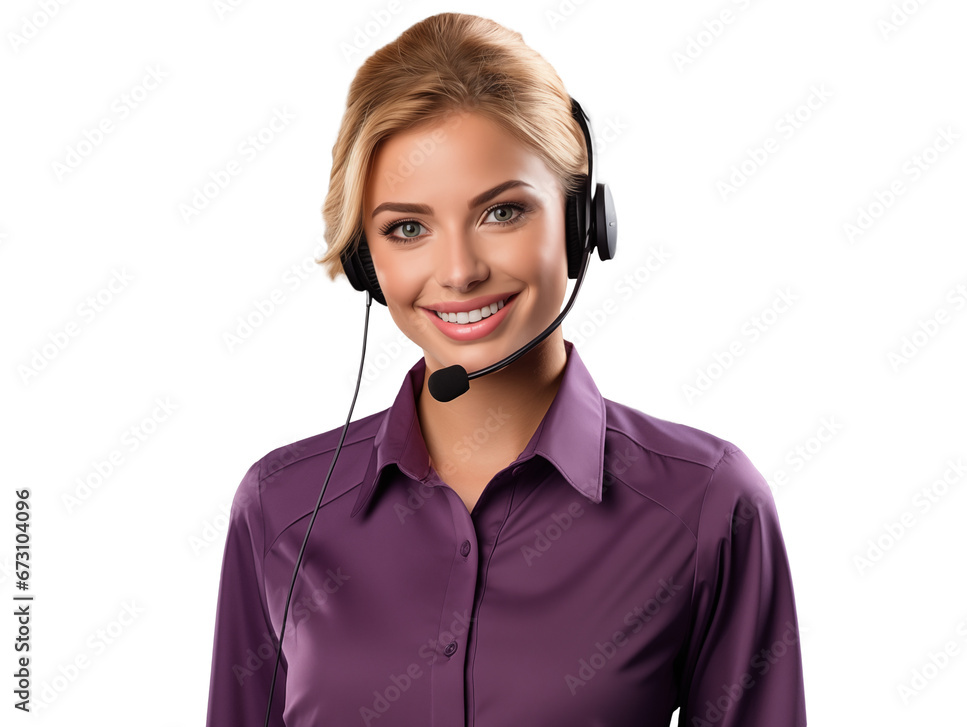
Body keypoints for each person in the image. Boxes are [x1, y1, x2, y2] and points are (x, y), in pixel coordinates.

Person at [206, 12, 807, 727]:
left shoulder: (707, 505)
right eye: (408, 228)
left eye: (502, 212)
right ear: (367, 260)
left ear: (582, 224)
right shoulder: (280, 509)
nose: (459, 271)